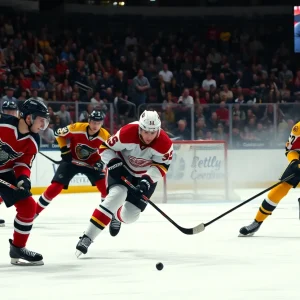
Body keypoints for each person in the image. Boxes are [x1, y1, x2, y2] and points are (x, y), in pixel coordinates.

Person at [75, 110, 173, 257]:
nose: (148, 136)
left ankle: (116, 215)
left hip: (145, 177)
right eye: (145, 131)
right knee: (117, 195)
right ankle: (87, 237)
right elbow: (105, 148)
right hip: (122, 169)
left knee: (130, 216)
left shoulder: (165, 144)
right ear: (140, 127)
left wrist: (147, 181)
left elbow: (162, 166)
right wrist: (114, 163)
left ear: (158, 130)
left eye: (152, 132)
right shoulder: (127, 132)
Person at [0, 98, 50, 265]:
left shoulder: (33, 141)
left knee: (28, 207)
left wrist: (23, 180)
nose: (43, 124)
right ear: (29, 118)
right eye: (41, 119)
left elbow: (23, 164)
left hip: (5, 173)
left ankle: (17, 248)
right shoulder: (3, 123)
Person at [35, 110, 109, 221]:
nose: (95, 125)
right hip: (72, 161)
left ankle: (106, 215)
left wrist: (102, 162)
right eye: (93, 122)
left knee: (105, 189)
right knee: (55, 187)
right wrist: (64, 150)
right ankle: (33, 213)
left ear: (102, 123)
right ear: (89, 121)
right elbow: (58, 134)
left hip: (92, 164)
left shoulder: (106, 136)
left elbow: (110, 152)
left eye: (98, 123)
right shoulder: (77, 127)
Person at [239, 121, 300, 236]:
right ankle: (256, 222)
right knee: (278, 190)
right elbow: (290, 150)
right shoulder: (298, 128)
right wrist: (294, 162)